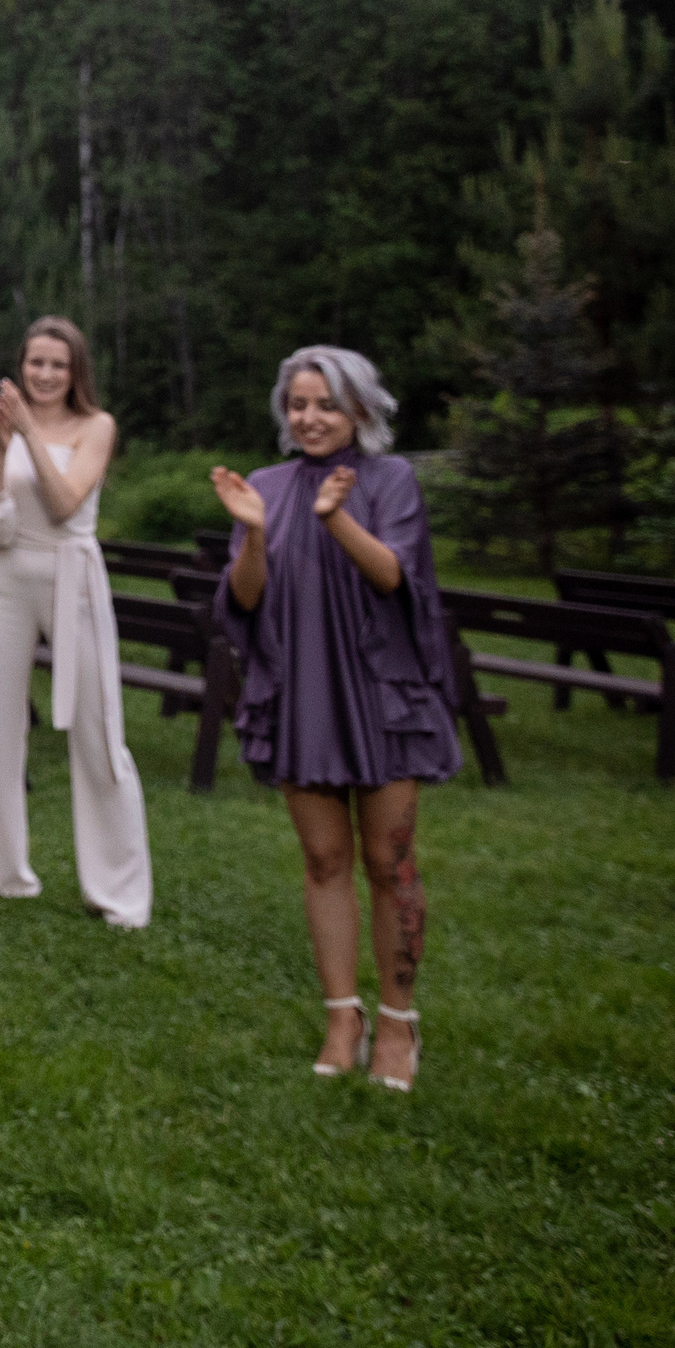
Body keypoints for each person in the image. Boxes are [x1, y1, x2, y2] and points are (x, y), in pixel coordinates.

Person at [209, 345, 460, 1094]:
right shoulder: (264, 484)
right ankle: (341, 1015)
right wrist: (254, 532)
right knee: (323, 862)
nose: (310, 417)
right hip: (302, 692)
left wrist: (337, 518)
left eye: (326, 403)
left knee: (391, 863)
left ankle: (397, 1020)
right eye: (298, 404)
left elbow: (396, 576)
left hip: (380, 693)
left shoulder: (392, 479)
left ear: (360, 409)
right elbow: (245, 601)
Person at [0, 315, 152, 928]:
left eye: (57, 365)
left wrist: (31, 438)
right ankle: (2, 872)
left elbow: (67, 505)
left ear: (75, 373)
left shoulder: (98, 426)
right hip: (6, 574)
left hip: (73, 575)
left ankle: (118, 893)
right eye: (35, 362)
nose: (44, 375)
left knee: (98, 730)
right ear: (21, 364)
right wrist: (1, 449)